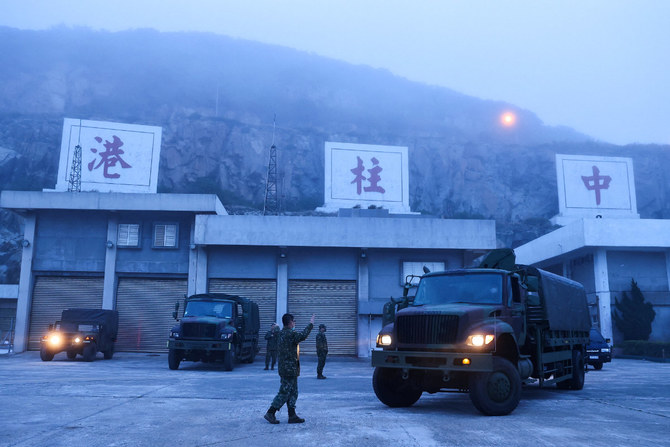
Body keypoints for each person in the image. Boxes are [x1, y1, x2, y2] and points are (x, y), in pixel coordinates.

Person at [264, 313, 315, 424]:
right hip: (289, 369)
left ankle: (292, 415)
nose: (294, 323)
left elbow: (276, 329)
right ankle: (270, 412)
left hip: (286, 368)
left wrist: (276, 326)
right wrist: (311, 324)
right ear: (290, 322)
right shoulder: (291, 334)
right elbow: (303, 335)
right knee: (285, 392)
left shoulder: (280, 333)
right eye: (294, 321)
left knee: (293, 392)